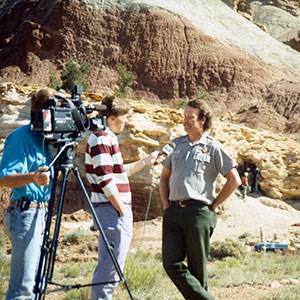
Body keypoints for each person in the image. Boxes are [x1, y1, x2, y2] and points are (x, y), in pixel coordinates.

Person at [159, 99, 241, 300]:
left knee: (197, 270)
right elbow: (163, 178)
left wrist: (214, 205)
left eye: (190, 117)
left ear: (203, 120)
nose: (185, 121)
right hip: (173, 212)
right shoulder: (175, 144)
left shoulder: (213, 147)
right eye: (184, 116)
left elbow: (234, 180)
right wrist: (166, 207)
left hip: (199, 213)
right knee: (170, 263)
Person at [85, 95, 162, 300]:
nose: (126, 121)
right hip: (112, 209)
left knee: (110, 266)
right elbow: (104, 176)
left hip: (112, 209)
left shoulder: (106, 137)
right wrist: (120, 208)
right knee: (111, 268)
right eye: (124, 116)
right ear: (111, 118)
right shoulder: (101, 137)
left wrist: (146, 162)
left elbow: (118, 173)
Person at [0, 88, 54, 299]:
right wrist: (32, 177)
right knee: (22, 289)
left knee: (36, 284)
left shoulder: (46, 139)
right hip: (25, 211)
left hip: (41, 212)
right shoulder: (20, 137)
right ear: (40, 112)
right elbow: (3, 178)